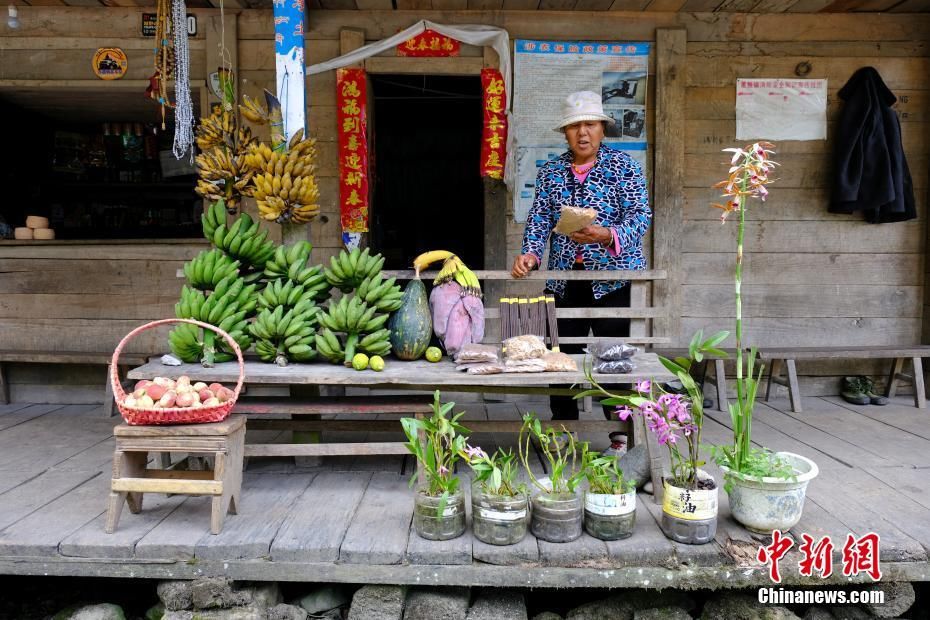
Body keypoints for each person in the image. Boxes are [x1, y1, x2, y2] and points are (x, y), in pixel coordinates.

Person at [511, 90, 651, 421]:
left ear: (602, 129)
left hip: (611, 279)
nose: (582, 133)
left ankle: (619, 431)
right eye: (574, 126)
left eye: (590, 124)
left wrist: (608, 234)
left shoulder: (623, 166)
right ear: (565, 133)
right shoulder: (552, 171)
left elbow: (640, 215)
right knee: (560, 355)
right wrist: (529, 253)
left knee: (612, 357)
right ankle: (564, 427)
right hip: (563, 280)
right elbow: (540, 219)